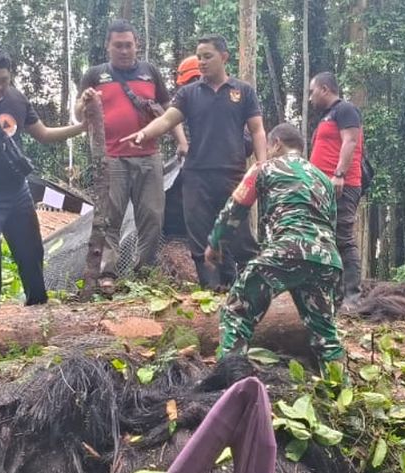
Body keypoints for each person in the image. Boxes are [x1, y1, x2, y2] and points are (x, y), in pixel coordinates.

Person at [0, 48, 98, 309]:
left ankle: (38, 308)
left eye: (4, 80)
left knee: (30, 251)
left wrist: (82, 128)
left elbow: (44, 134)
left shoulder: (17, 99)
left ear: (10, 76)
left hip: (17, 189)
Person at [124, 35, 267, 290]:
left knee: (240, 235)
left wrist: (261, 164)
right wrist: (145, 133)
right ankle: (211, 290)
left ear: (224, 57)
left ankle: (254, 289)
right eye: (199, 57)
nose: (201, 62)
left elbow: (257, 129)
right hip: (196, 174)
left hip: (233, 175)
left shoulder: (242, 91)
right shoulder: (188, 93)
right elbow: (168, 120)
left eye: (207, 56)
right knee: (200, 236)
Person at [205, 123, 344, 367]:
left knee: (237, 310)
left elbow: (234, 210)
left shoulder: (263, 168)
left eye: (268, 147)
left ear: (276, 143)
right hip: (326, 259)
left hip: (286, 251)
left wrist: (215, 242)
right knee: (326, 336)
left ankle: (228, 382)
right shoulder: (324, 180)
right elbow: (330, 226)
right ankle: (342, 397)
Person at [77, 20, 188, 284]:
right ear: (108, 46)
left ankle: (144, 271)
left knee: (152, 215)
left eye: (129, 45)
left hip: (149, 156)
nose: (124, 50)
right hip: (111, 158)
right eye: (118, 46)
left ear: (137, 45)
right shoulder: (95, 75)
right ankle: (108, 273)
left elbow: (170, 111)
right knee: (111, 216)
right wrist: (84, 102)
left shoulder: (150, 72)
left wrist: (182, 141)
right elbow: (78, 115)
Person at [307, 72, 365, 304]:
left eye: (312, 92)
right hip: (322, 186)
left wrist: (339, 174)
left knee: (343, 237)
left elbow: (351, 141)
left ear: (324, 89)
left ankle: (352, 297)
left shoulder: (345, 110)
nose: (310, 98)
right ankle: (332, 294)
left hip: (341, 185)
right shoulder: (326, 116)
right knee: (322, 237)